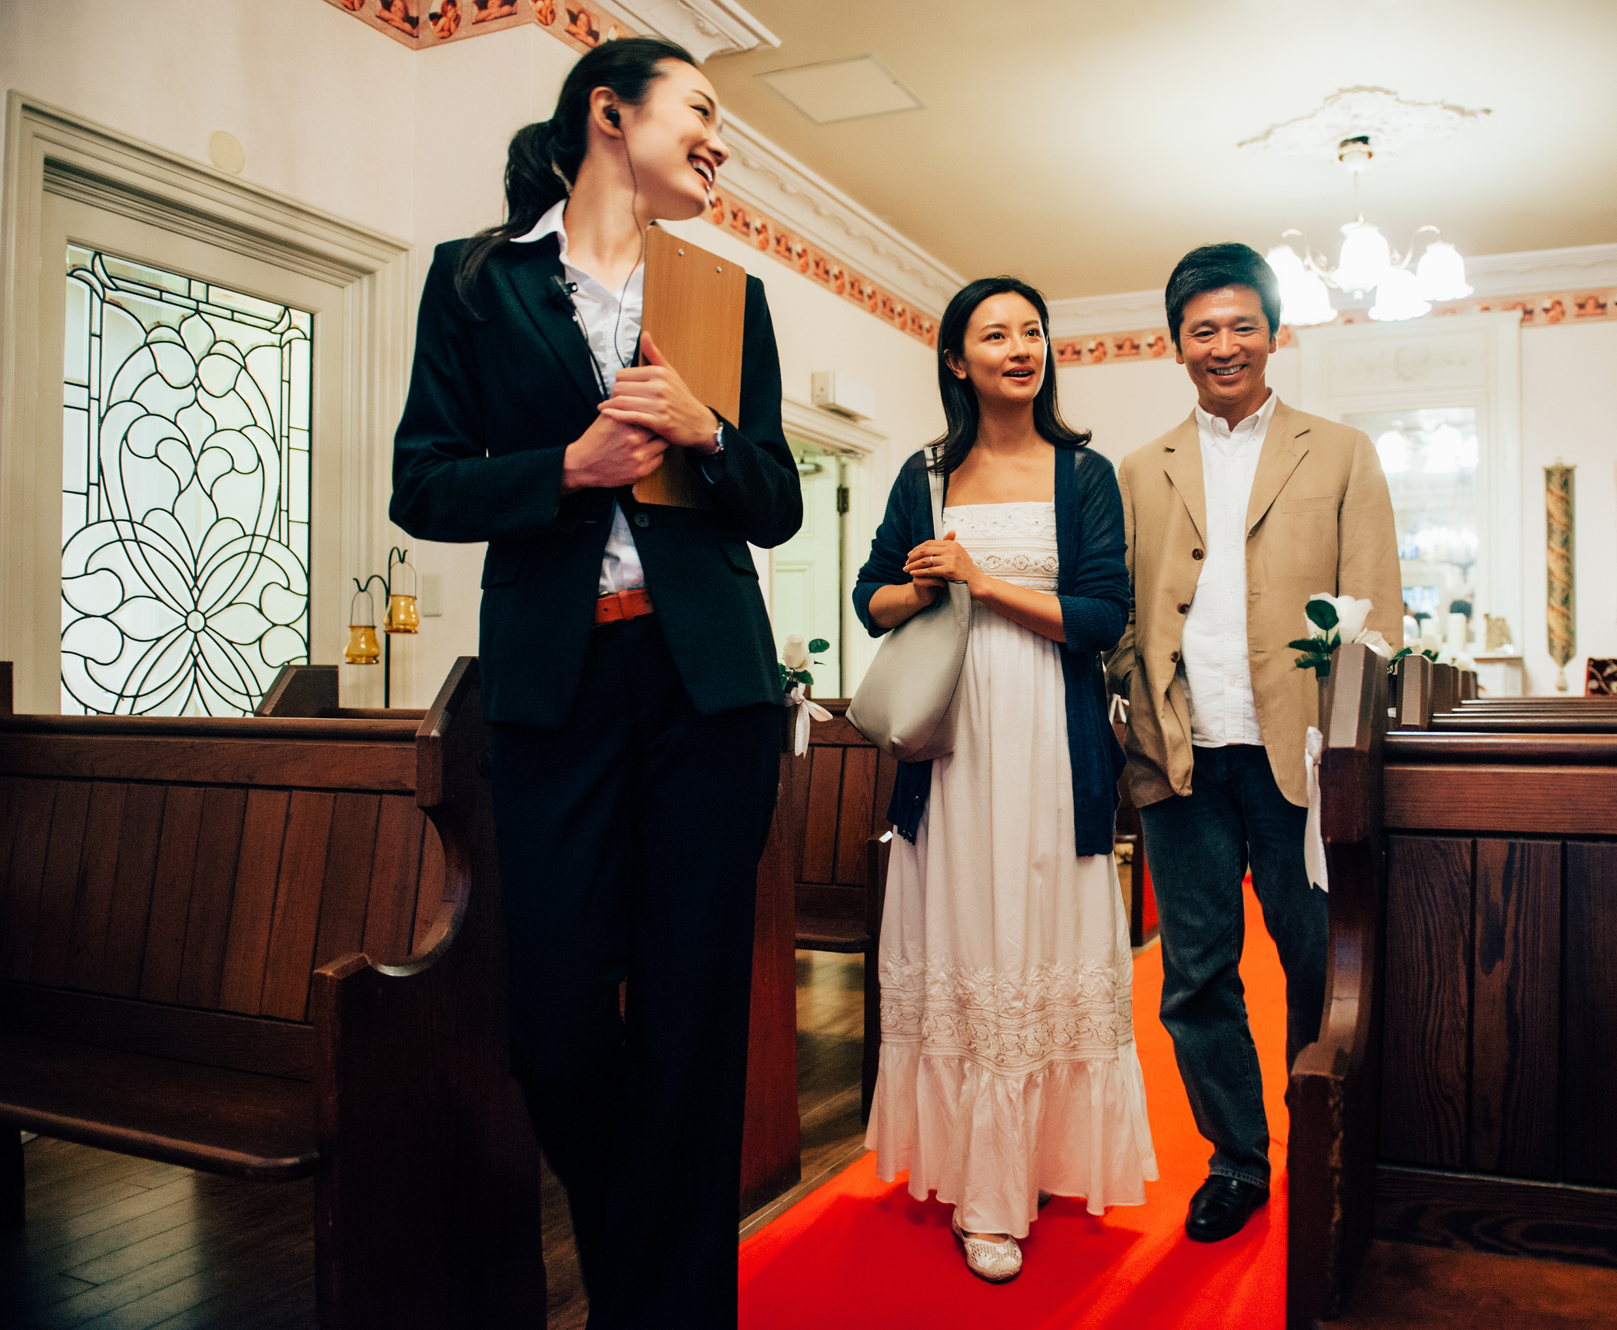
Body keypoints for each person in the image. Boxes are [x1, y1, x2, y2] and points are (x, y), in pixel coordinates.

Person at [387, 37, 799, 1328]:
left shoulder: (726, 298)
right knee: (556, 1033)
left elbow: (776, 503)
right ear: (608, 113)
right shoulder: (474, 281)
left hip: (709, 692)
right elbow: (422, 484)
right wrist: (566, 465)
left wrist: (708, 433)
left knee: (690, 1033)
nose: (721, 139)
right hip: (554, 686)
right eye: (702, 109)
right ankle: (647, 1285)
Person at [854, 276, 1155, 1283]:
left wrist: (984, 582)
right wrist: (923, 585)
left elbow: (1104, 616)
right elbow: (869, 598)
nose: (1020, 347)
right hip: (952, 743)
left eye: (1032, 330)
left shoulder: (1084, 473)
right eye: (995, 334)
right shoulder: (924, 472)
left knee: (1039, 937)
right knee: (964, 935)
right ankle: (977, 1184)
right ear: (956, 359)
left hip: (1051, 741)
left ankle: (1035, 1159)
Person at [1106, 243, 1401, 1243]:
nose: (1223, 344)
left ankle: (1322, 1136)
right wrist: (1131, 697)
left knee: (1318, 961)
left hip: (1302, 760)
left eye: (1242, 325)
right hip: (1180, 756)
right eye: (1203, 329)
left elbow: (1376, 616)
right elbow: (1121, 613)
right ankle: (1236, 1160)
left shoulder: (1342, 452)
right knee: (1194, 975)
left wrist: (1352, 752)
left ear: (1276, 335)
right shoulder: (1138, 470)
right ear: (1175, 344)